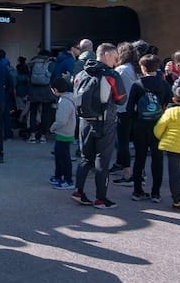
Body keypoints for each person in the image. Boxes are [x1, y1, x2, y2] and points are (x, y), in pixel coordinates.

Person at [71, 43, 125, 209]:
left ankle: (78, 191)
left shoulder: (80, 73)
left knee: (85, 158)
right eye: (115, 58)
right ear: (107, 55)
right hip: (104, 122)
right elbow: (121, 98)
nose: (116, 62)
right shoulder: (111, 75)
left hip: (84, 121)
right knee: (103, 161)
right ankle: (101, 199)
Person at [125, 54, 171, 201]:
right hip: (158, 125)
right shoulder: (164, 84)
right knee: (157, 159)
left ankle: (137, 191)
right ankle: (156, 193)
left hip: (140, 125)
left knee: (140, 158)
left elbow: (129, 107)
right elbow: (168, 104)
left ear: (143, 68)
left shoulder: (137, 84)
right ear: (157, 67)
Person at [111, 42, 141, 175]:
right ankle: (120, 163)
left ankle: (126, 170)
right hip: (135, 108)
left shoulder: (121, 70)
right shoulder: (137, 69)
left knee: (122, 141)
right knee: (130, 139)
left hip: (122, 108)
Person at [49, 77, 77, 190]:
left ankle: (68, 180)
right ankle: (59, 176)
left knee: (63, 158)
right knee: (60, 156)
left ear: (55, 89)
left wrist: (53, 127)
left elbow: (61, 120)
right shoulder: (69, 98)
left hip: (64, 133)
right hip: (67, 132)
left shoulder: (64, 101)